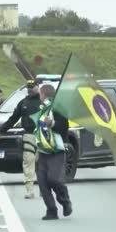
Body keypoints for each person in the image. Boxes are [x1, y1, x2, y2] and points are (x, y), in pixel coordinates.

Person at [0, 80, 41, 199]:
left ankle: (44, 188)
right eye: (28, 87)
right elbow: (13, 119)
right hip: (29, 136)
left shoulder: (45, 101)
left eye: (32, 87)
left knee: (44, 164)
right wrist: (0, 131)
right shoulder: (23, 103)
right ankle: (30, 190)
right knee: (28, 162)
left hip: (44, 136)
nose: (30, 89)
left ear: (38, 87)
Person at [34, 84, 72, 220]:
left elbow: (64, 128)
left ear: (43, 94)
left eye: (40, 94)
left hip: (56, 151)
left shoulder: (58, 108)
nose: (39, 96)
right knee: (43, 183)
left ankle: (65, 200)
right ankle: (51, 210)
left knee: (54, 179)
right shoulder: (41, 109)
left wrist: (53, 124)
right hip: (42, 151)